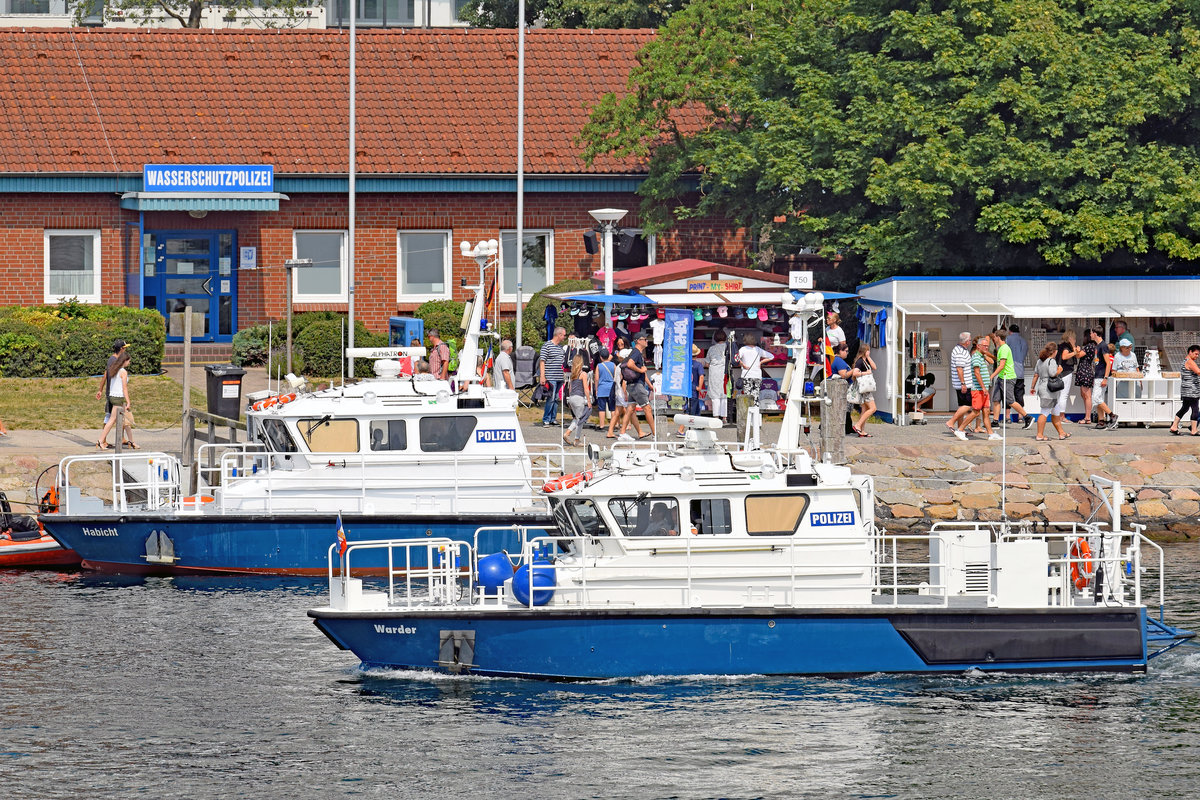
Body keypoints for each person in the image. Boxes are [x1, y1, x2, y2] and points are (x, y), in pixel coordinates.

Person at [955, 336, 1000, 441]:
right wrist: (983, 387)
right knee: (976, 411)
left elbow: (992, 361)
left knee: (986, 411)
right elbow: (976, 373)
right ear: (978, 346)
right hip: (978, 389)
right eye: (984, 346)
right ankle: (960, 429)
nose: (986, 348)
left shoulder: (981, 356)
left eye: (987, 346)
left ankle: (990, 433)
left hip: (983, 389)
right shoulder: (976, 357)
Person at [989, 328, 1034, 429]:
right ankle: (995, 421)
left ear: (998, 337)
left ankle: (1027, 417)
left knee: (1010, 401)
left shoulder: (1004, 349)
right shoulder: (1001, 348)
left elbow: (1001, 365)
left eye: (995, 336)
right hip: (1001, 377)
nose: (994, 338)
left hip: (1007, 377)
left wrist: (992, 375)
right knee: (996, 399)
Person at [97, 351, 138, 449]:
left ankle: (131, 442)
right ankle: (100, 441)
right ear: (125, 361)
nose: (129, 363)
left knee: (127, 419)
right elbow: (124, 388)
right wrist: (128, 401)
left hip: (113, 396)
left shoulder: (114, 369)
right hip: (118, 398)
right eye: (129, 361)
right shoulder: (123, 372)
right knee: (112, 420)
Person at [1031, 342, 1068, 441]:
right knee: (1045, 412)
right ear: (1055, 352)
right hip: (1049, 390)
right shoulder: (1051, 361)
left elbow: (1035, 375)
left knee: (1056, 412)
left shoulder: (1040, 361)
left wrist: (1032, 387)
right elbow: (1052, 374)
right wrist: (1059, 370)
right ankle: (1039, 435)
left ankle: (1061, 433)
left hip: (1043, 388)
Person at [622, 333, 655, 438]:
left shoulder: (637, 353)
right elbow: (630, 364)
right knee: (647, 408)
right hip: (637, 386)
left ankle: (622, 433)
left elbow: (642, 373)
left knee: (630, 409)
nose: (646, 341)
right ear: (638, 341)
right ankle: (656, 434)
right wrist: (641, 369)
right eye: (644, 339)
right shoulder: (636, 352)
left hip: (632, 385)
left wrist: (649, 384)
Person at [1088, 328, 1119, 429]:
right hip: (1098, 375)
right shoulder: (1098, 346)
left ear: (1095, 334)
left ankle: (1112, 415)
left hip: (1102, 376)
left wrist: (1105, 377)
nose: (1090, 335)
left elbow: (1108, 363)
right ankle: (1101, 421)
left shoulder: (1103, 346)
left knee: (1096, 398)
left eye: (1091, 333)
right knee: (1099, 399)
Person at [945, 332, 973, 435]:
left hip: (963, 383)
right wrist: (963, 383)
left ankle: (961, 428)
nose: (970, 341)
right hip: (963, 384)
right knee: (967, 405)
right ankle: (951, 422)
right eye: (970, 340)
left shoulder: (961, 350)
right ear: (966, 342)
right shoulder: (960, 351)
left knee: (962, 406)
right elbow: (959, 368)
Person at [1169, 344, 1200, 436]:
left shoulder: (1185, 361)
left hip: (1186, 389)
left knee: (1184, 408)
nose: (1197, 356)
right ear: (1190, 352)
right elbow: (1198, 372)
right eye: (1196, 354)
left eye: (1198, 355)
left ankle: (1174, 426)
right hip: (1191, 390)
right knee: (1195, 409)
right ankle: (1194, 430)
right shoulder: (1190, 362)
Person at [677, 345, 707, 436]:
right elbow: (701, 376)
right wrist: (700, 387)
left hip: (687, 389)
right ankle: (681, 429)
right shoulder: (698, 365)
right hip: (694, 389)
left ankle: (698, 427)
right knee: (690, 410)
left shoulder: (685, 364)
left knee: (695, 408)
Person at [737, 332, 774, 403]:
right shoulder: (758, 349)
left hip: (747, 375)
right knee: (756, 396)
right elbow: (772, 356)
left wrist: (743, 364)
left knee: (747, 396)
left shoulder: (743, 349)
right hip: (757, 375)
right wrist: (761, 362)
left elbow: (736, 359)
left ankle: (749, 412)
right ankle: (756, 411)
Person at [564, 354, 592, 446]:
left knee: (577, 418)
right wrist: (588, 400)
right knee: (580, 420)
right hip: (579, 398)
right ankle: (574, 438)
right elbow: (585, 388)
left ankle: (570, 434)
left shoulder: (573, 374)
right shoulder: (583, 374)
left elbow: (570, 388)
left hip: (572, 398)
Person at [1055, 331, 1083, 423]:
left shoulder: (1060, 345)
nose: (1075, 340)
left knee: (1060, 395)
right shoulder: (1066, 346)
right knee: (1064, 395)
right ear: (1070, 338)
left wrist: (1075, 349)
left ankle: (1057, 415)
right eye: (1074, 338)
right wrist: (1074, 352)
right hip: (1066, 372)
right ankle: (1062, 416)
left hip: (1060, 372)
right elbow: (1064, 356)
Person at [851, 342, 877, 437]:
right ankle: (857, 425)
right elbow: (855, 373)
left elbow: (874, 367)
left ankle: (861, 430)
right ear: (864, 351)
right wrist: (866, 373)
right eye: (868, 350)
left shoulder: (865, 361)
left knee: (864, 409)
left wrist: (869, 357)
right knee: (873, 408)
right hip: (865, 389)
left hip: (866, 388)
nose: (869, 352)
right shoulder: (860, 361)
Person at [707, 331, 730, 421]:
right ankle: (724, 417)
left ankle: (716, 417)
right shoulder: (728, 348)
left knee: (715, 395)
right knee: (724, 394)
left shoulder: (711, 348)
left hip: (714, 372)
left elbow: (707, 363)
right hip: (725, 372)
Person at [1007, 324, 1029, 413]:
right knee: (1019, 394)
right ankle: (1020, 416)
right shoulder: (1023, 341)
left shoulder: (1007, 339)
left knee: (1008, 394)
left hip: (1009, 371)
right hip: (1020, 370)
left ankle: (1007, 416)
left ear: (1010, 331)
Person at [594, 348, 616, 432]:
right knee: (612, 408)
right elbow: (616, 376)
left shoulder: (599, 366)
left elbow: (596, 379)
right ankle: (614, 425)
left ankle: (602, 425)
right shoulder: (613, 365)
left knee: (601, 408)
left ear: (601, 357)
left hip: (602, 388)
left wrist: (596, 389)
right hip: (611, 388)